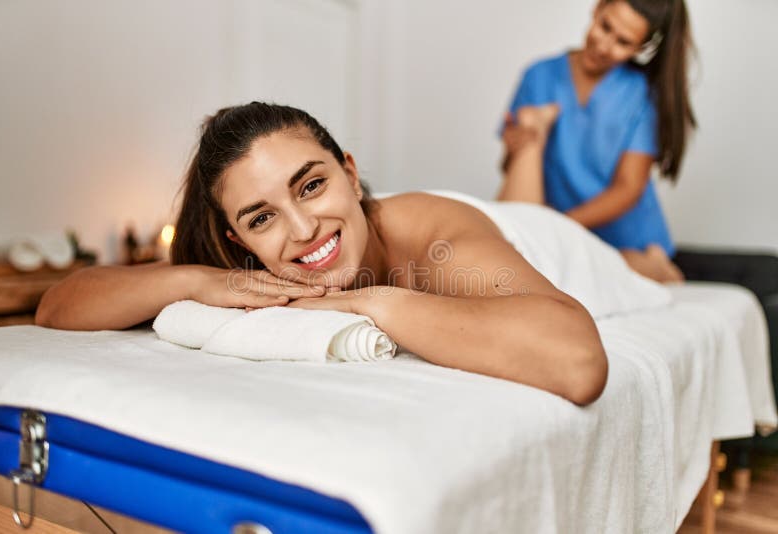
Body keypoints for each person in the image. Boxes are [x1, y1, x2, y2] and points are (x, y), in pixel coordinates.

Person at [36, 102, 608, 405]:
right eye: (262, 218)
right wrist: (190, 280)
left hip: (548, 239)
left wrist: (370, 303)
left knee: (613, 256)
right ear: (239, 241)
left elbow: (578, 363)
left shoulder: (432, 239)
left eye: (311, 185)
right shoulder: (248, 270)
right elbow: (57, 306)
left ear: (350, 174)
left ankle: (644, 261)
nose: (304, 227)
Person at [497, 0, 696, 283]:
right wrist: (519, 145)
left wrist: (558, 227)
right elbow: (509, 169)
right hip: (557, 230)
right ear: (598, 7)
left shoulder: (641, 94)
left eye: (623, 42)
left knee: (616, 266)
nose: (604, 46)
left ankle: (658, 264)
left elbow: (628, 188)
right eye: (605, 27)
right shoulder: (539, 76)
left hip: (624, 240)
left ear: (639, 48)